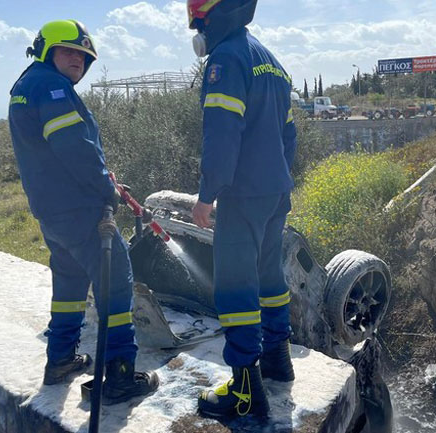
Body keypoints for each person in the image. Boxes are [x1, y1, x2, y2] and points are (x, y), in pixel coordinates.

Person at [8, 19, 158, 405]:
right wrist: (105, 188)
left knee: (70, 287)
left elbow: (56, 154)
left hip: (53, 213)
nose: (78, 59)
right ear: (47, 51)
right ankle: (120, 376)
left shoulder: (26, 85)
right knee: (116, 283)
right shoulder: (52, 86)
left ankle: (61, 360)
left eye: (83, 55)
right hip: (81, 210)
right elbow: (74, 147)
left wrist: (106, 180)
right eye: (68, 51)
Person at [187, 0, 298, 418]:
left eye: (198, 23)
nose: (198, 31)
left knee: (235, 286)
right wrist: (277, 176)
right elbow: (289, 135)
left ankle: (245, 391)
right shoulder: (272, 62)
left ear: (211, 17)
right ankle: (278, 361)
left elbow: (221, 134)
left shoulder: (226, 59)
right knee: (270, 276)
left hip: (243, 193)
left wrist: (207, 194)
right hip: (275, 191)